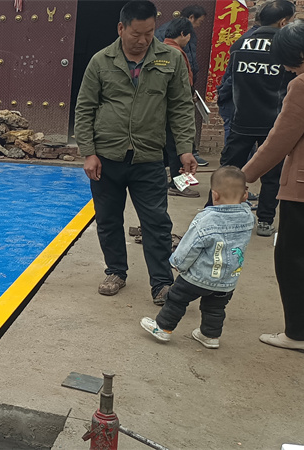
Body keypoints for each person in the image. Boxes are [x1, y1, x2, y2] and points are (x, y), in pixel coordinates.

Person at [75, 0, 198, 305]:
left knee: (156, 221)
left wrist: (185, 149)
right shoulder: (101, 61)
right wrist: (88, 152)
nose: (143, 40)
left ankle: (162, 283)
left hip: (149, 157)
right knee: (108, 219)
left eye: (149, 33)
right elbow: (85, 108)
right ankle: (116, 271)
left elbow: (181, 107)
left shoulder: (170, 59)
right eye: (136, 34)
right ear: (121, 28)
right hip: (107, 158)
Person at [242, 20, 304, 355]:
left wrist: (244, 176)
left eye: (285, 61)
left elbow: (280, 140)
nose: (285, 69)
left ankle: (298, 334)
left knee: (295, 260)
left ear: (297, 55)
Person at [141, 166, 255, 348]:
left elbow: (191, 245)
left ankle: (163, 328)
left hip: (198, 276)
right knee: (215, 307)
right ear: (245, 195)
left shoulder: (206, 219)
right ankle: (210, 336)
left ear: (214, 195)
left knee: (176, 299)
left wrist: (178, 263)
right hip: (228, 278)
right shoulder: (248, 217)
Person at [208, 0, 296, 237]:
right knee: (272, 175)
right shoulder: (287, 48)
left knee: (229, 169)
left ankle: (213, 211)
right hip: (273, 123)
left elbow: (230, 80)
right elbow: (293, 85)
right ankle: (265, 221)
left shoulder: (240, 44)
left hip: (241, 120)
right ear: (283, 22)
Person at [155, 4, 210, 166]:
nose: (198, 26)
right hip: (175, 97)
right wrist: (189, 88)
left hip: (166, 99)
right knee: (176, 139)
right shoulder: (177, 50)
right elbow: (187, 66)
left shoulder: (165, 35)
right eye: (199, 22)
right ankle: (182, 168)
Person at [161, 18, 201, 198]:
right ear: (183, 33)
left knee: (169, 149)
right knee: (179, 150)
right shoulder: (176, 53)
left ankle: (167, 181)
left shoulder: (161, 50)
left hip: (164, 111)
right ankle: (178, 185)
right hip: (174, 111)